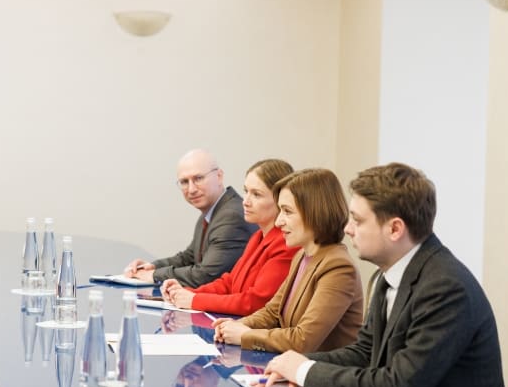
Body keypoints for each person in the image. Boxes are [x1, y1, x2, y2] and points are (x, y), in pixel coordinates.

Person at [258, 163, 508, 387]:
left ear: (395, 229)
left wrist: (304, 372)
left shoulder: (445, 287)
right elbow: (366, 351)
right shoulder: (386, 276)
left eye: (357, 220)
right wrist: (295, 364)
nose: (348, 229)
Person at [213, 168, 363, 354]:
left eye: (287, 211)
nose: (278, 222)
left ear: (315, 213)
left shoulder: (338, 267)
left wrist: (245, 335)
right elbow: (272, 313)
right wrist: (236, 326)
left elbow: (302, 340)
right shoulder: (301, 256)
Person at [160, 159, 297, 315]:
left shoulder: (286, 244)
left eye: (256, 195)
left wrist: (194, 300)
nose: (245, 201)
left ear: (281, 201)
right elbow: (229, 283)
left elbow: (255, 302)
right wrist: (185, 293)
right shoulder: (258, 237)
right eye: (246, 191)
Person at [124, 149, 256, 287]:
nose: (191, 189)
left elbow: (205, 276)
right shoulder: (211, 212)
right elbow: (190, 257)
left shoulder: (231, 216)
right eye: (184, 182)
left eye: (198, 178)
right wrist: (152, 267)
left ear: (219, 176)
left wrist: (154, 275)